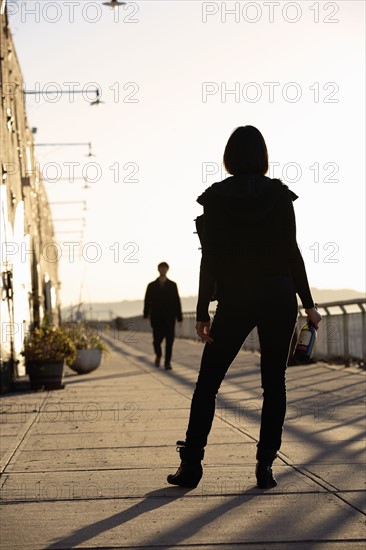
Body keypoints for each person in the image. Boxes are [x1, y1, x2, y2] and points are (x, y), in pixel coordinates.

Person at [167, 126, 322, 489]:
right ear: (263, 156)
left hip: (237, 298)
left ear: (230, 156)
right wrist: (309, 304)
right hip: (278, 296)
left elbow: (211, 259)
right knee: (274, 383)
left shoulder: (216, 198)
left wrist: (202, 311)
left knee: (208, 384)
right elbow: (292, 253)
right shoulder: (280, 196)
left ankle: (192, 465)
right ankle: (264, 466)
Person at [143, 262, 183, 370]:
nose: (163, 270)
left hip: (170, 318)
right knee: (157, 341)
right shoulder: (151, 285)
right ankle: (158, 355)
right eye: (161, 268)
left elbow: (177, 301)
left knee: (169, 342)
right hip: (156, 318)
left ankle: (167, 363)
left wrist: (179, 317)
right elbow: (147, 301)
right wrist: (146, 314)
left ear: (167, 270)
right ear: (158, 269)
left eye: (165, 268)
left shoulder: (172, 285)